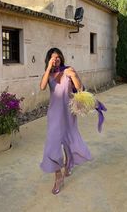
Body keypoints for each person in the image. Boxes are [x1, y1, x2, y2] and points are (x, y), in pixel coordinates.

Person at [40, 47, 92, 195]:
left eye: (57, 57)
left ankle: (69, 162)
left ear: (61, 58)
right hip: (54, 113)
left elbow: (80, 88)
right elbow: (42, 86)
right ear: (49, 59)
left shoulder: (68, 70)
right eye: (52, 57)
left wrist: (73, 76)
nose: (55, 59)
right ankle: (58, 177)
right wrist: (49, 67)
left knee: (69, 140)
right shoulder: (48, 74)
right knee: (53, 143)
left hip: (69, 113)